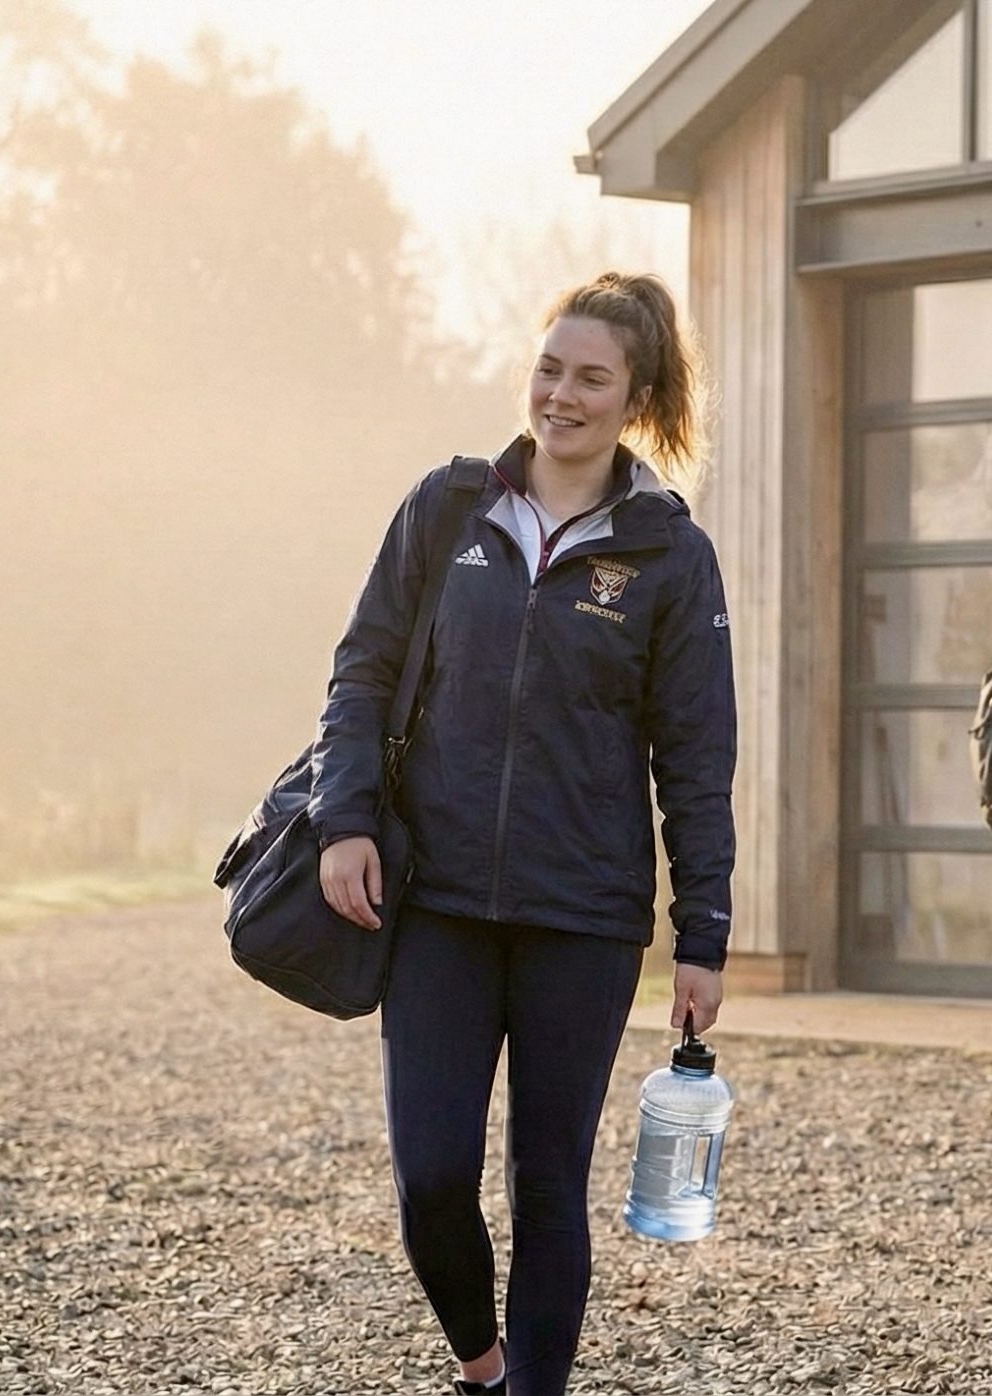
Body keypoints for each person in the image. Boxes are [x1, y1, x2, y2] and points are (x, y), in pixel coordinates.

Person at [310, 272, 735, 1396]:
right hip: (437, 903)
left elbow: (697, 758)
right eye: (550, 368)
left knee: (549, 1185)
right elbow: (363, 671)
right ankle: (482, 1366)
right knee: (433, 1178)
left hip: (583, 919)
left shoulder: (667, 558)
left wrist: (705, 933)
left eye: (592, 377)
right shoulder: (449, 509)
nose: (563, 394)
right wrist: (344, 818)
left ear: (635, 397)